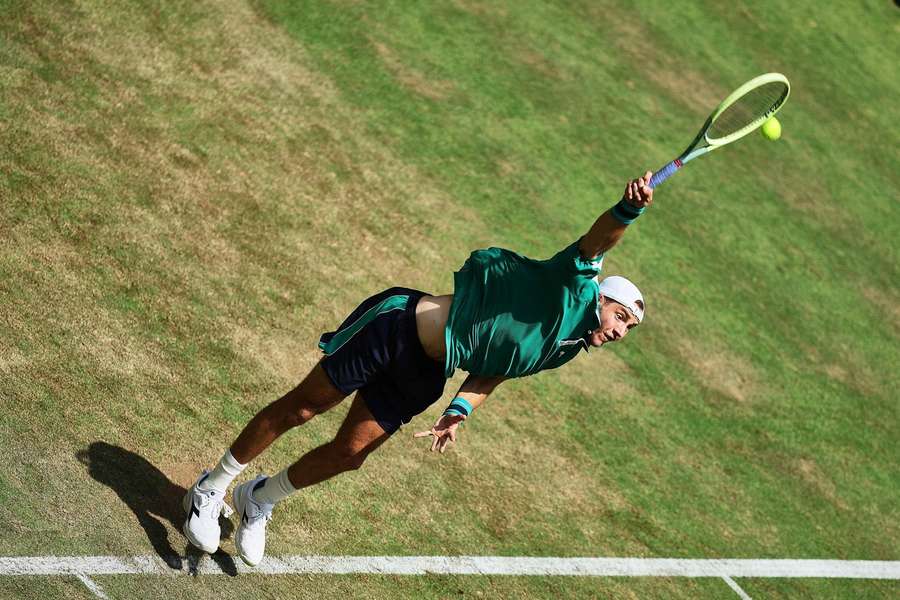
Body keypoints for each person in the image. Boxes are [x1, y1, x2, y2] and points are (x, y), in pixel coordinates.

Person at [183, 171, 654, 566]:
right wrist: (628, 210)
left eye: (629, 330)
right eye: (621, 317)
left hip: (428, 372)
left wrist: (460, 409)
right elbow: (598, 241)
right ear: (601, 296)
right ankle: (212, 487)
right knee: (303, 409)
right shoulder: (572, 284)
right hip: (396, 327)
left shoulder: (565, 347)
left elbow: (495, 371)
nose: (620, 332)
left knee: (351, 453)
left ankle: (259, 499)